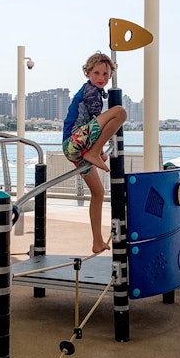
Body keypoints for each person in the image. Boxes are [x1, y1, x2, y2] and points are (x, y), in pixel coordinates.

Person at [62, 52, 127, 253]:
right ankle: (95, 152)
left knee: (98, 193)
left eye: (106, 74)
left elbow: (94, 126)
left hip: (77, 149)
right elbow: (100, 122)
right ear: (88, 73)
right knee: (120, 112)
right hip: (74, 143)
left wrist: (94, 149)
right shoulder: (91, 93)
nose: (101, 77)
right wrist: (96, 150)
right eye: (96, 73)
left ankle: (97, 241)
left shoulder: (94, 92)